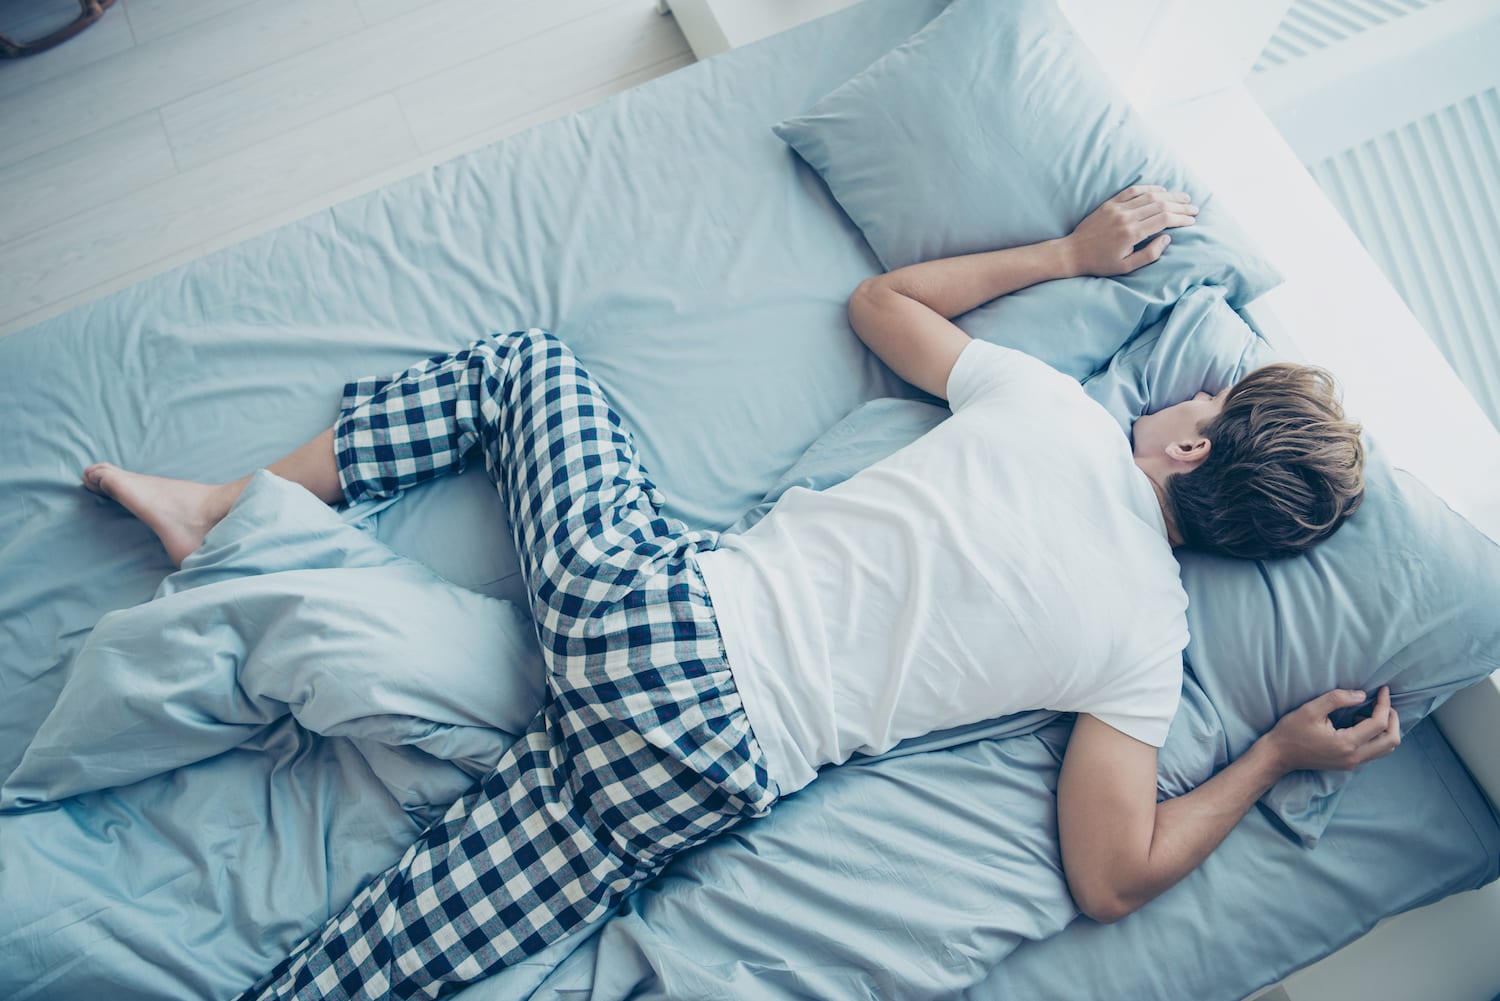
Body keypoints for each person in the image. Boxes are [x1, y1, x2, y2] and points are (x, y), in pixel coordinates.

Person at [81, 186, 1396, 1000]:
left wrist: (1065, 250)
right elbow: (1111, 875)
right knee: (394, 959)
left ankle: (221, 512)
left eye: (1207, 402)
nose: (1185, 398)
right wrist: (1275, 750)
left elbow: (882, 303)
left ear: (1186, 446)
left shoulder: (1053, 410)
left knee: (524, 368)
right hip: (701, 767)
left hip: (642, 616)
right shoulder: (1146, 646)